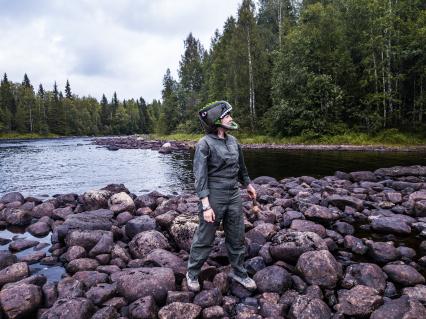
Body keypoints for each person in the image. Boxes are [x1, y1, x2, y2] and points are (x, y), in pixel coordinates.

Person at [186, 100, 257, 292]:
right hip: (214, 195)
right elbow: (200, 177)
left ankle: (239, 272)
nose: (231, 118)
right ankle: (192, 273)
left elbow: (241, 168)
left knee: (237, 235)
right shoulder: (204, 144)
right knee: (205, 236)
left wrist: (248, 184)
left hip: (233, 194)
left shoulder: (233, 142)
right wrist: (206, 205)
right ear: (217, 121)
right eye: (227, 115)